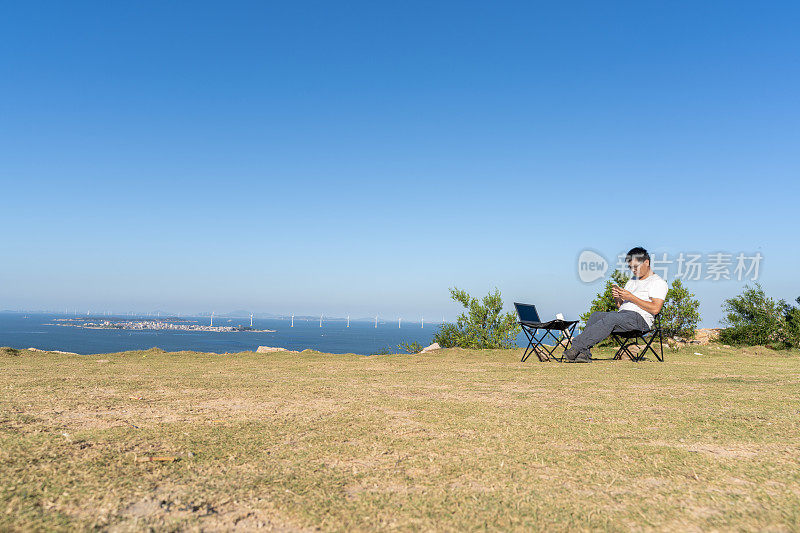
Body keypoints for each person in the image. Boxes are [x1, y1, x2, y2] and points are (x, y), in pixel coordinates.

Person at [564, 247, 668, 363]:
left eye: (635, 267)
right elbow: (621, 307)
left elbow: (655, 309)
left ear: (646, 262)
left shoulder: (657, 282)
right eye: (630, 267)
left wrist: (631, 297)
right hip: (624, 316)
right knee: (596, 316)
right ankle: (583, 354)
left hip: (641, 320)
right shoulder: (632, 281)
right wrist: (617, 297)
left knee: (613, 318)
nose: (633, 270)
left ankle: (576, 347)